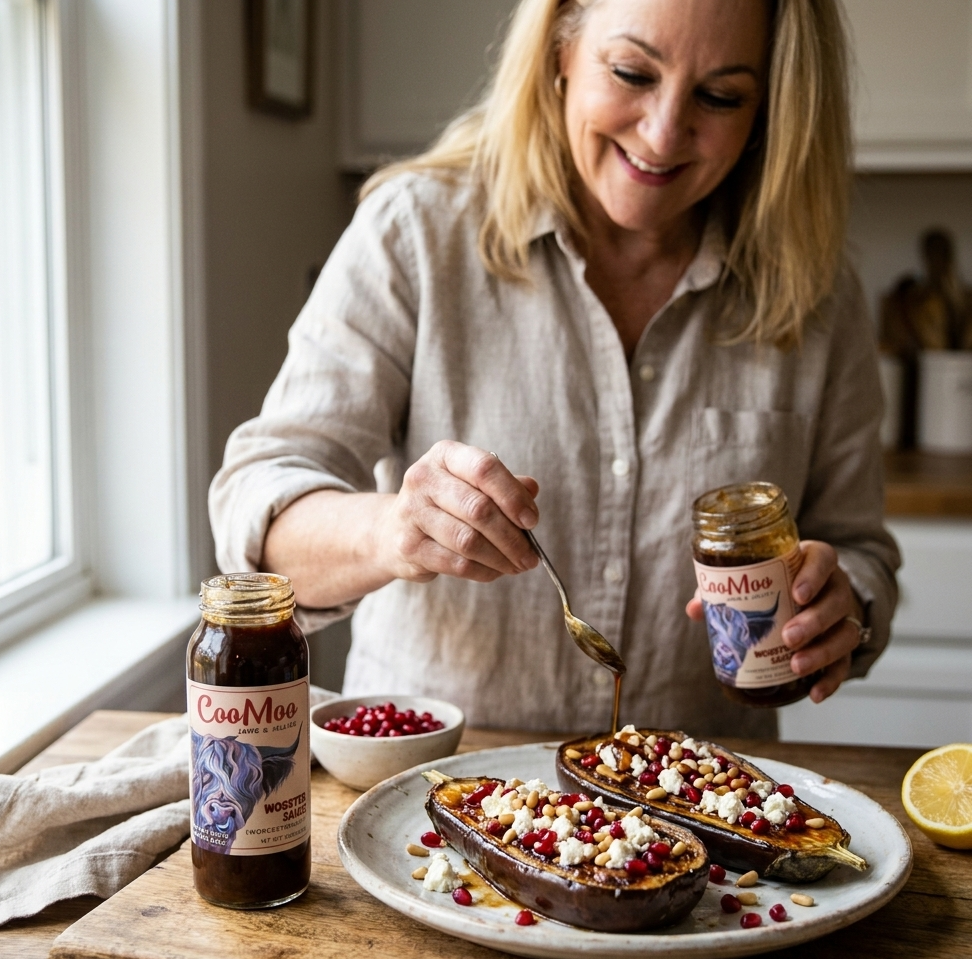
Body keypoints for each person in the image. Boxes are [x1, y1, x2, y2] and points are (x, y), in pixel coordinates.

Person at [210, 0, 900, 738]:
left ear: (770, 108)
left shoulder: (816, 294)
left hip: (695, 815)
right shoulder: (416, 233)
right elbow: (258, 512)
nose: (664, 132)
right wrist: (392, 530)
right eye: (632, 72)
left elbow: (861, 554)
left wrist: (845, 609)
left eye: (720, 96)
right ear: (561, 50)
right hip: (427, 807)